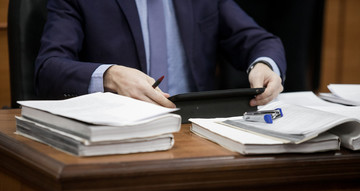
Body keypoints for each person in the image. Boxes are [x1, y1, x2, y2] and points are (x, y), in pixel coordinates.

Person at [35, 0, 286, 109]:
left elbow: (259, 41)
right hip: (120, 135)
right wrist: (109, 76)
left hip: (199, 131)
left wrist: (264, 65)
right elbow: (48, 69)